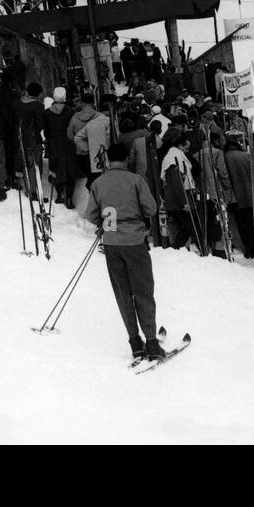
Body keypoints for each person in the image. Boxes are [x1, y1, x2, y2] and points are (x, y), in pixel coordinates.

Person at [83, 142, 165, 362]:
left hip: (111, 244)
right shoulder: (136, 180)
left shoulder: (99, 183)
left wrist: (106, 222)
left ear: (108, 160)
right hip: (134, 241)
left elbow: (91, 214)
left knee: (123, 293)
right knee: (143, 292)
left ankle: (135, 344)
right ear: (127, 159)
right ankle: (152, 343)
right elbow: (151, 208)